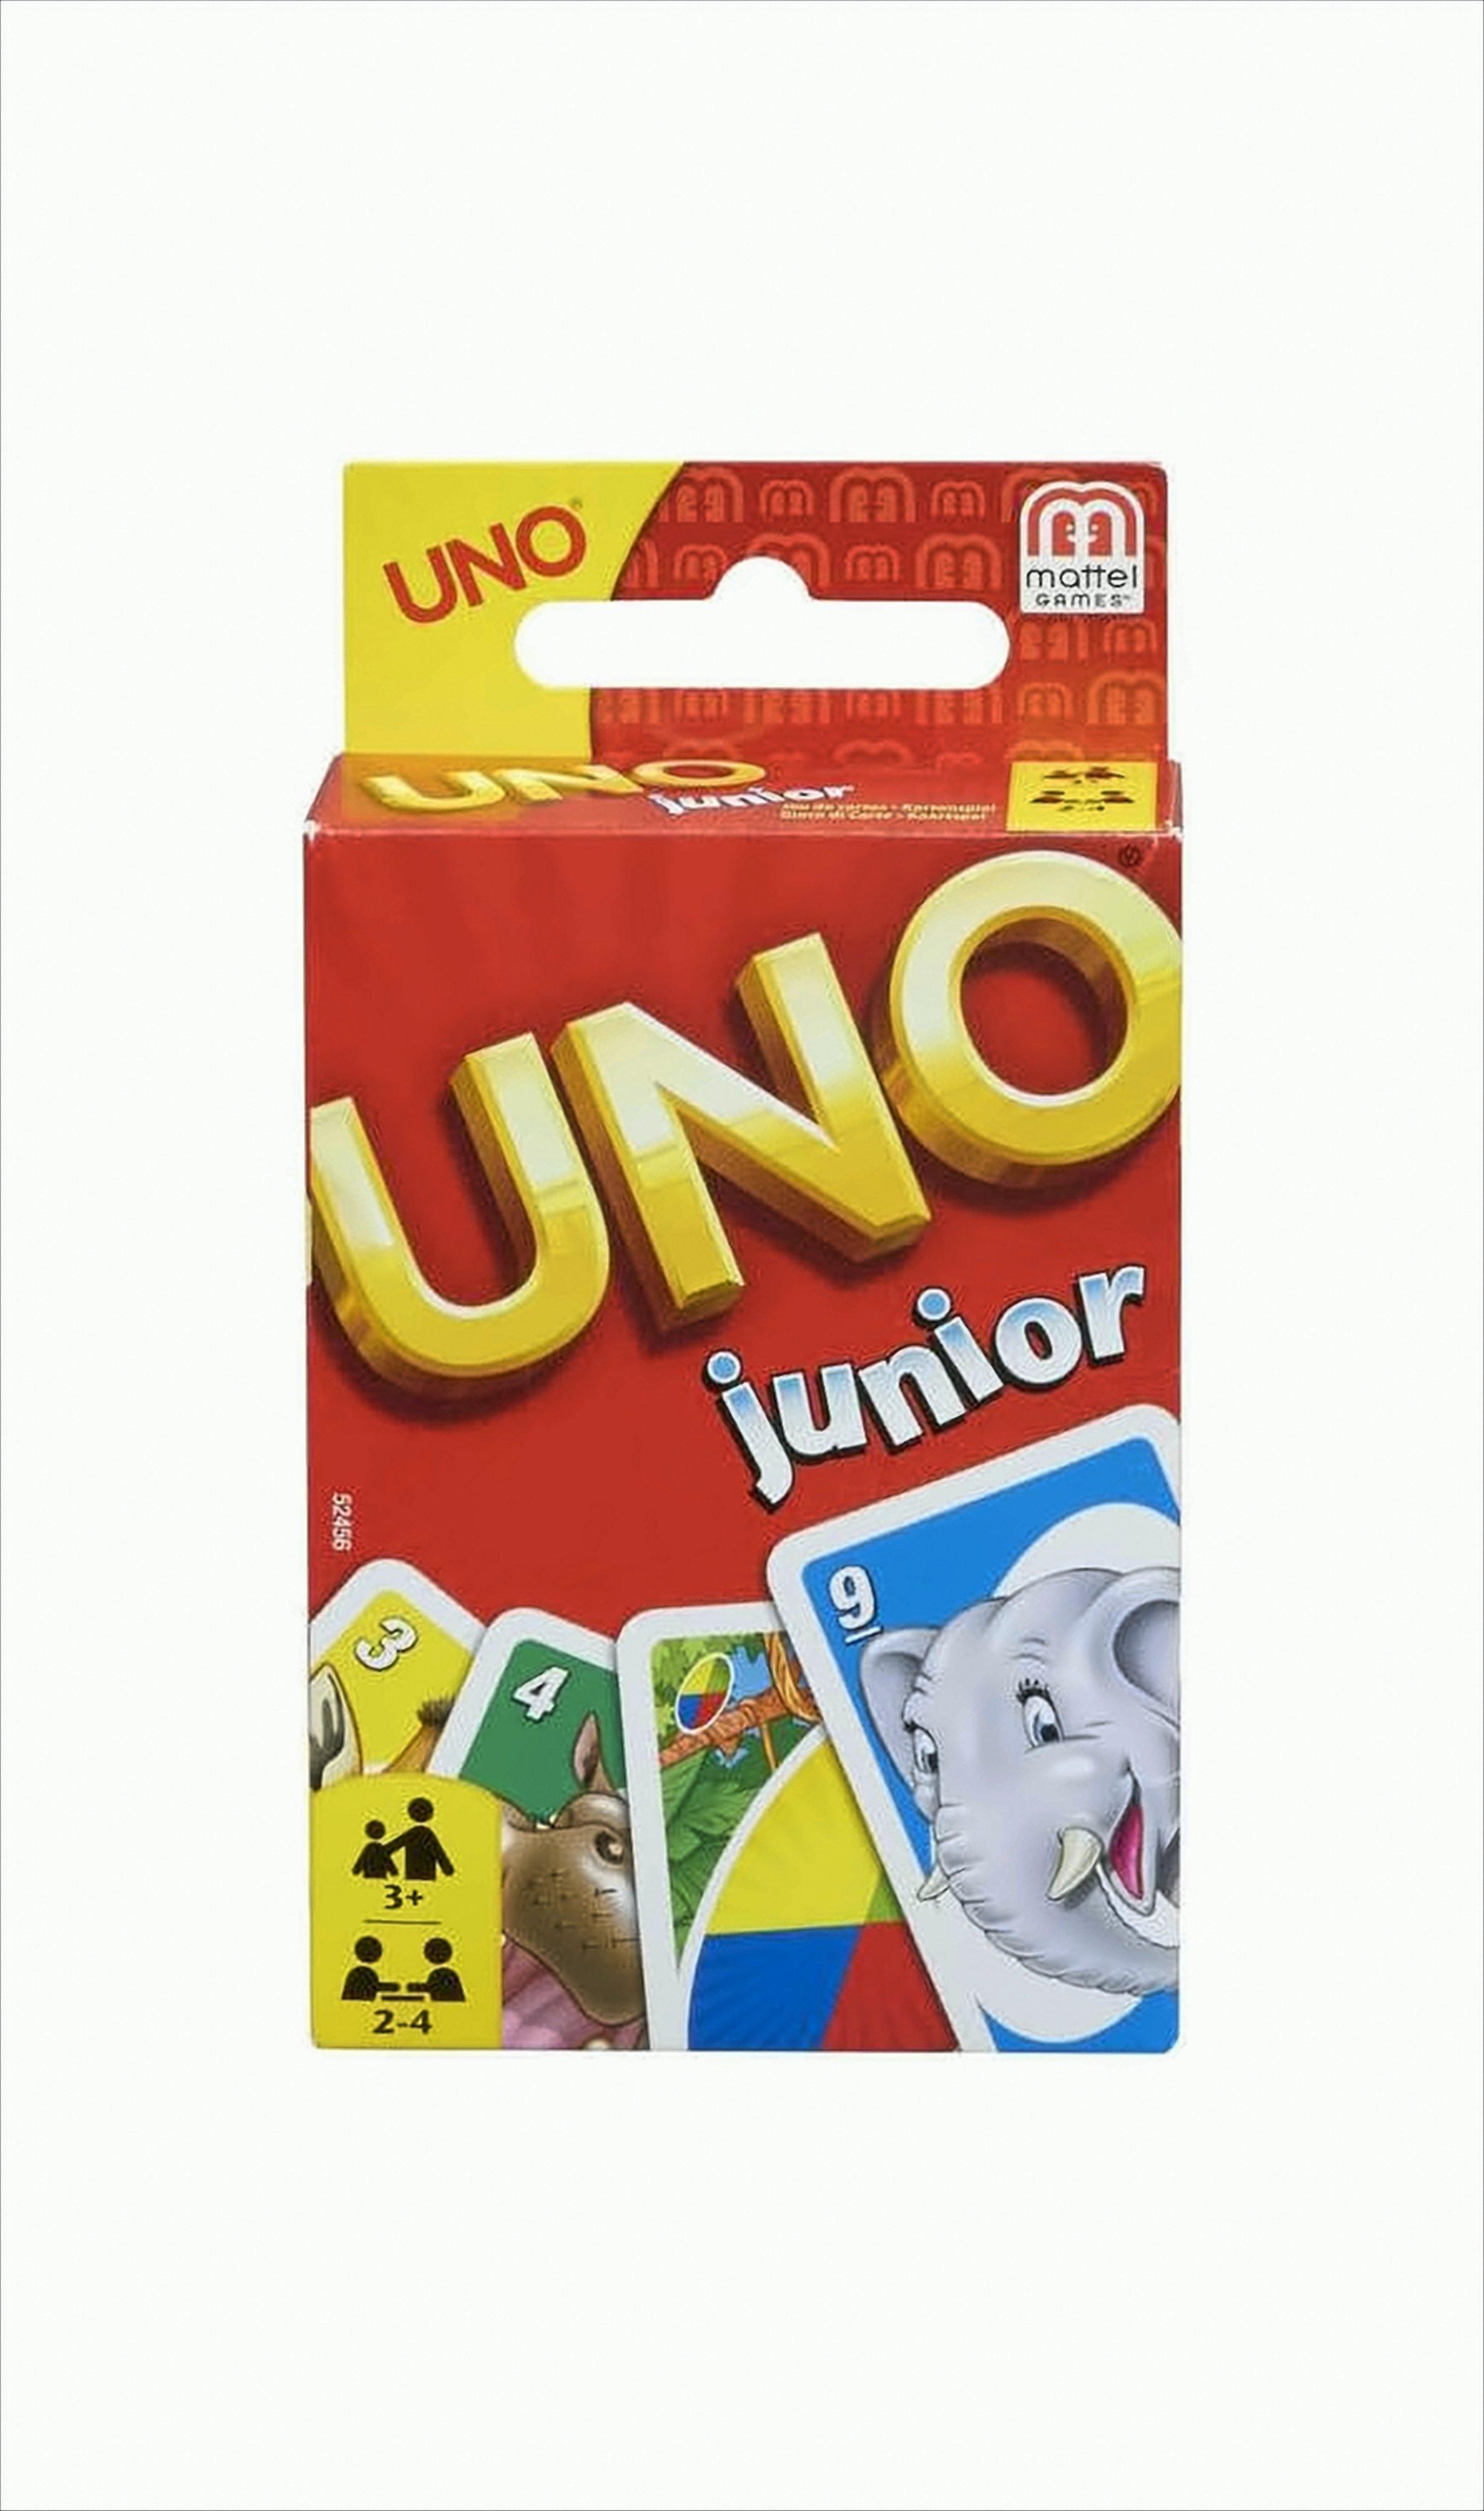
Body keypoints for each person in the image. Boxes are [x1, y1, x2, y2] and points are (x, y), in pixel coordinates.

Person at [384, 1797, 454, 1882]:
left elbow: (390, 1848)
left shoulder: (412, 1834)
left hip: (412, 1877)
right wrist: (448, 1870)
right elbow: (439, 1853)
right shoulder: (427, 1834)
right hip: (427, 1877)